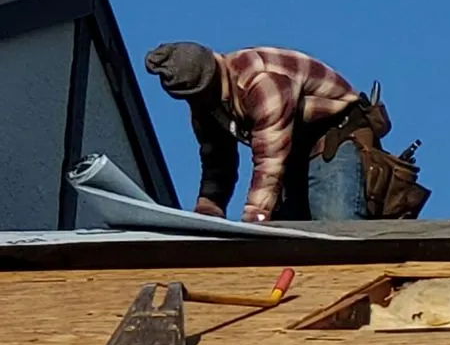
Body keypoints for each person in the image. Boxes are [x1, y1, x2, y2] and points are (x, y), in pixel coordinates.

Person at [143, 42, 417, 223]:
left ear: (213, 76)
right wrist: (207, 212)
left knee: (334, 231)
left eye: (200, 95)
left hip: (334, 137)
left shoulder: (260, 80)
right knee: (287, 240)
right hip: (295, 151)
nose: (197, 103)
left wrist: (255, 219)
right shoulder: (205, 105)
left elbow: (270, 158)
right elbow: (217, 161)